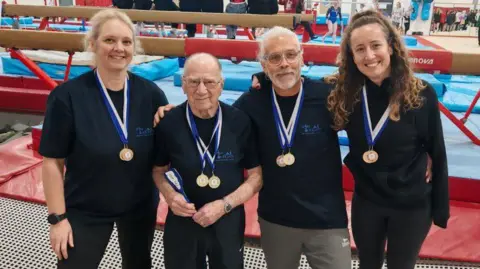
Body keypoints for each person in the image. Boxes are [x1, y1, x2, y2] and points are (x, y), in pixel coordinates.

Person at [252, 10, 448, 269]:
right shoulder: (345, 91)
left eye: (375, 46)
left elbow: (438, 150)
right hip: (368, 201)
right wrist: (263, 79)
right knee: (368, 264)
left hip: (411, 204)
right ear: (351, 56)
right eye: (360, 49)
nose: (369, 56)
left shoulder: (421, 93)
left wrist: (440, 209)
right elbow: (292, 80)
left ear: (390, 46)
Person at [154, 27, 352, 269]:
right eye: (274, 58)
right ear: (263, 63)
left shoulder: (328, 96)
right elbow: (210, 111)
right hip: (277, 220)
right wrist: (171, 111)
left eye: (290, 55)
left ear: (302, 56)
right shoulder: (249, 104)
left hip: (327, 220)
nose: (284, 64)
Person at [39, 9, 168, 269]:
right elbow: (52, 162)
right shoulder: (67, 97)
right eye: (110, 40)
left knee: (139, 264)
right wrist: (58, 219)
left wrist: (176, 121)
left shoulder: (151, 95)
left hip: (139, 206)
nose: (118, 48)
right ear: (93, 44)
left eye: (126, 41)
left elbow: (168, 154)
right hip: (86, 207)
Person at [152, 53, 262, 269]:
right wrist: (170, 196)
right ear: (182, 85)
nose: (201, 90)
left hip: (227, 219)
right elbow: (158, 170)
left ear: (221, 85)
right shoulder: (168, 123)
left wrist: (224, 205)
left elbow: (256, 177)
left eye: (209, 82)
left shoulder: (240, 122)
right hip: (183, 219)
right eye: (193, 82)